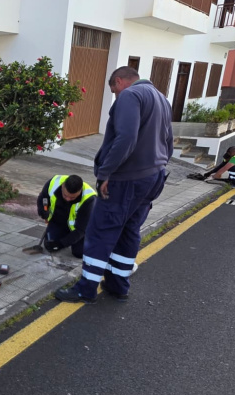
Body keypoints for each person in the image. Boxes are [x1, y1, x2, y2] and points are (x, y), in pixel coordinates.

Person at [55, 66, 172, 304]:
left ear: (119, 82)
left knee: (101, 232)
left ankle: (85, 289)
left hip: (127, 179)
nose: (116, 96)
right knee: (129, 231)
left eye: (114, 91)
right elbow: (168, 141)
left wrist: (106, 172)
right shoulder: (161, 98)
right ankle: (118, 285)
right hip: (154, 177)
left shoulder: (131, 95)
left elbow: (126, 137)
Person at [36, 174, 97, 258]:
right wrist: (42, 210)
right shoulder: (54, 183)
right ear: (63, 186)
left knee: (79, 253)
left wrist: (61, 244)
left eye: (72, 198)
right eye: (65, 195)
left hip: (78, 229)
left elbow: (81, 230)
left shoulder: (89, 200)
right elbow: (42, 197)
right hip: (58, 222)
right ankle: (63, 236)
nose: (68, 199)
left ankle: (96, 241)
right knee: (50, 245)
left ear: (80, 191)